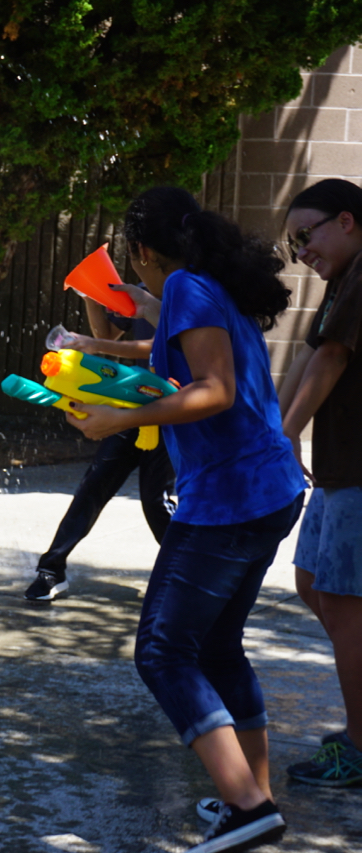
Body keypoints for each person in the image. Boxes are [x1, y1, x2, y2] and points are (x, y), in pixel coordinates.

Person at [65, 187, 304, 853]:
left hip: (231, 497)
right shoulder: (201, 289)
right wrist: (94, 346)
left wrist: (120, 419)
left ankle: (248, 804)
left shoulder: (191, 290)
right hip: (265, 488)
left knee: (165, 650)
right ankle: (253, 797)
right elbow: (170, 354)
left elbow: (214, 388)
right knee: (219, 648)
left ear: (143, 250)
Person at [277, 178, 362, 786]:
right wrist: (280, 430)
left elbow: (331, 359)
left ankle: (359, 747)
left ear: (348, 220)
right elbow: (312, 357)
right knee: (312, 582)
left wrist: (286, 434)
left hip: (359, 468)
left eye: (306, 237)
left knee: (342, 602)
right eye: (293, 246)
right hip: (339, 468)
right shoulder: (341, 282)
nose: (302, 252)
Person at [23, 293, 175, 602]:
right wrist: (90, 294)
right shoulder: (143, 287)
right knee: (94, 485)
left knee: (155, 500)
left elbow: (166, 347)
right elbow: (106, 333)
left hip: (169, 405)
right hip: (130, 398)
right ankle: (52, 570)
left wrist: (98, 346)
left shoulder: (185, 288)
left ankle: (187, 571)